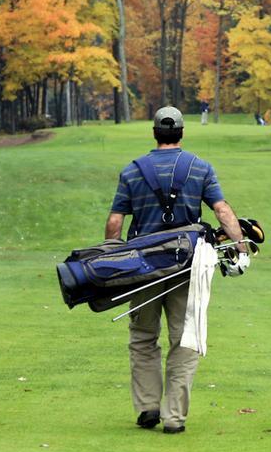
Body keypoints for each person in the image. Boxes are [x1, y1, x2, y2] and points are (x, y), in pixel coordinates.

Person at [104, 106, 248, 434]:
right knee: (184, 339)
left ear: (155, 133)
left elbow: (115, 222)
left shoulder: (132, 171)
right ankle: (173, 417)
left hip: (142, 266)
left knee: (143, 337)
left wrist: (112, 264)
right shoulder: (200, 167)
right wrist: (240, 248)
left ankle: (147, 407)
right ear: (181, 133)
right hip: (187, 269)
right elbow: (223, 211)